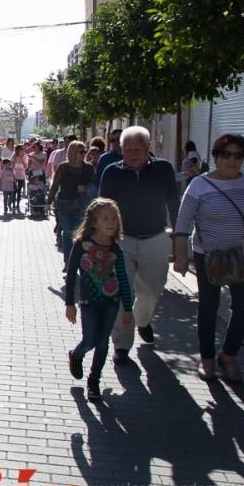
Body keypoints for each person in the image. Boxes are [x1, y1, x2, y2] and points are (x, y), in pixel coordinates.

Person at [172, 134, 244, 383]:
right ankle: (207, 360)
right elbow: (182, 224)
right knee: (208, 308)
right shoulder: (199, 185)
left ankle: (229, 354)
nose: (232, 160)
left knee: (243, 309)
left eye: (238, 155)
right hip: (209, 257)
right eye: (226, 154)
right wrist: (181, 257)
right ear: (215, 157)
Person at [99, 126, 180, 364]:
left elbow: (173, 202)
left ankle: (142, 320)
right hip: (121, 241)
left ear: (148, 148)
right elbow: (101, 207)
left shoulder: (163, 169)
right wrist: (100, 241)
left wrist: (179, 236)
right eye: (127, 150)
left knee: (152, 290)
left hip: (155, 238)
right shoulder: (112, 172)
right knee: (123, 293)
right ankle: (122, 344)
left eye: (138, 149)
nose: (132, 154)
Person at [64, 199, 135, 401]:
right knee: (90, 340)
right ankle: (76, 354)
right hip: (88, 302)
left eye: (114, 218)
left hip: (111, 302)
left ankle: (94, 380)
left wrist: (128, 308)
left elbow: (123, 278)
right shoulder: (81, 245)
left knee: (103, 342)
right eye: (105, 218)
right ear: (94, 222)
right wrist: (70, 303)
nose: (111, 222)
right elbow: (71, 275)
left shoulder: (116, 250)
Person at [47, 140, 95, 269]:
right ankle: (68, 262)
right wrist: (48, 202)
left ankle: (75, 262)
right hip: (64, 204)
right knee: (67, 234)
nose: (84, 154)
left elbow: (94, 186)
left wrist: (85, 188)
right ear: (73, 152)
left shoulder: (89, 168)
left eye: (85, 151)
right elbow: (55, 185)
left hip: (81, 205)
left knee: (77, 236)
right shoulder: (63, 167)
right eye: (81, 152)